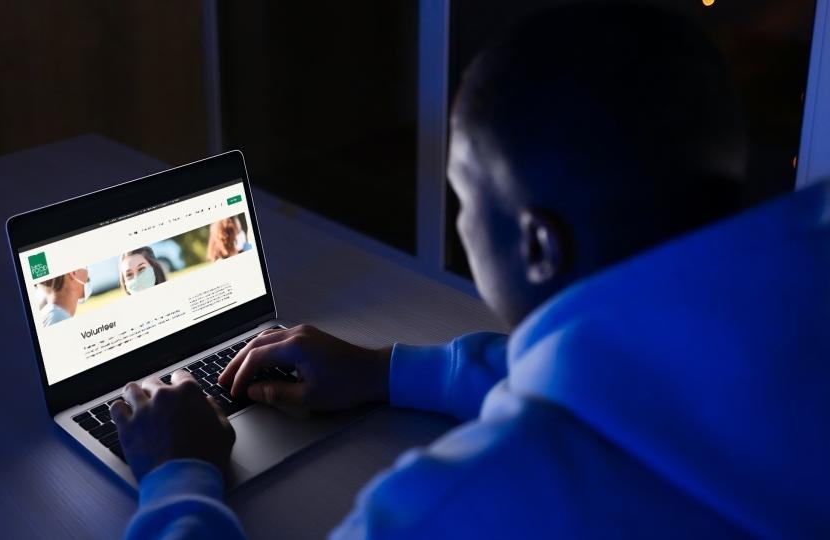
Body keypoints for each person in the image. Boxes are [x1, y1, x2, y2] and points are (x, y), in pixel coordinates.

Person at [108, 4, 828, 539]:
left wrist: (178, 478)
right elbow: (636, 374)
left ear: (538, 246)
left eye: (463, 193)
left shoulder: (444, 512)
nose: (456, 217)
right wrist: (387, 371)